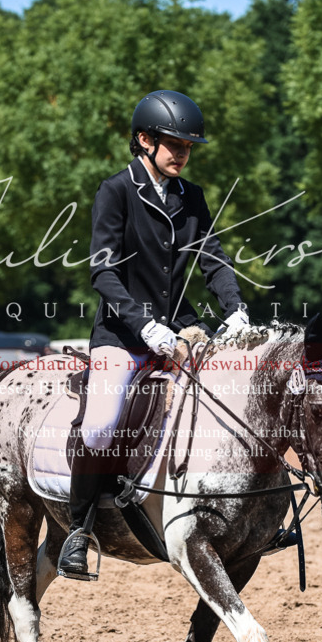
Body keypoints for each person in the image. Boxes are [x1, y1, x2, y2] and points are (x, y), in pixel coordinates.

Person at [59, 89, 249, 578]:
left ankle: (239, 515)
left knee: (236, 396)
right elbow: (103, 273)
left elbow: (213, 260)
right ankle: (78, 532)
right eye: (174, 144)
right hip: (122, 333)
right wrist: (144, 323)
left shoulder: (193, 198)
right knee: (100, 424)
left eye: (188, 147)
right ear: (144, 139)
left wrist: (237, 309)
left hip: (181, 328)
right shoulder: (115, 191)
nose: (182, 154)